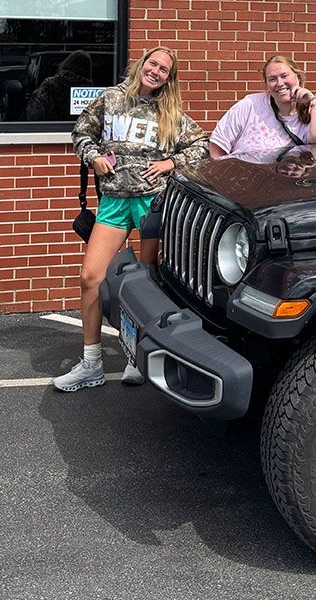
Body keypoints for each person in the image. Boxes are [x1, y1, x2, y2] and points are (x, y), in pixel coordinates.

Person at [54, 46, 209, 392]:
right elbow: (81, 133)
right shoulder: (110, 99)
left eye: (164, 70)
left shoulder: (170, 113)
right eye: (153, 64)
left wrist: (170, 164)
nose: (156, 72)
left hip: (151, 204)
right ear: (142, 64)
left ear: (169, 78)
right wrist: (93, 157)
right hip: (113, 203)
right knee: (91, 277)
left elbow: (201, 145)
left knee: (149, 281)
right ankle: (91, 363)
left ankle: (138, 357)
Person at [210, 54, 316, 157]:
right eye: (272, 79)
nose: (279, 83)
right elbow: (218, 145)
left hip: (287, 184)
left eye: (284, 76)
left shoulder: (312, 115)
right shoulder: (250, 105)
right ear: (267, 85)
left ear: (298, 78)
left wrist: (312, 102)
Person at [25, 50, 93, 122]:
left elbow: (35, 113)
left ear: (67, 63)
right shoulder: (92, 90)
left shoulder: (50, 84)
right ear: (88, 69)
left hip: (49, 128)